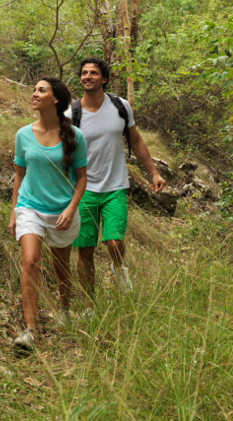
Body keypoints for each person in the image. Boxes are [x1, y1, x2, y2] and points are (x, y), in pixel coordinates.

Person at [68, 57, 166, 311]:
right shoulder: (72, 113)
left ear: (104, 78)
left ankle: (118, 269)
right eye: (84, 73)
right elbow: (60, 150)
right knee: (85, 250)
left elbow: (136, 140)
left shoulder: (120, 106)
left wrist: (154, 173)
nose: (87, 76)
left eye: (93, 73)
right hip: (83, 190)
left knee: (115, 242)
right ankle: (90, 307)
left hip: (114, 187)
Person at [8, 76, 88, 349]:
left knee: (62, 269)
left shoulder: (75, 136)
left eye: (41, 90)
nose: (34, 94)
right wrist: (13, 213)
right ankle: (29, 329)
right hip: (30, 207)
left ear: (56, 99)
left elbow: (82, 178)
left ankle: (65, 309)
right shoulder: (23, 134)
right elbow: (19, 175)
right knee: (30, 261)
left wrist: (71, 208)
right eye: (33, 90)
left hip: (62, 212)